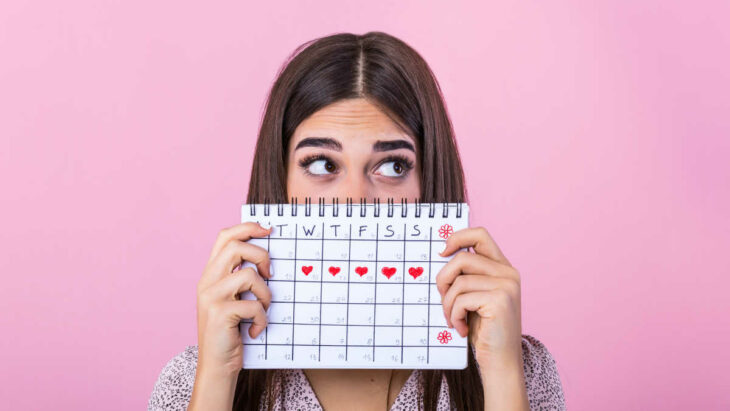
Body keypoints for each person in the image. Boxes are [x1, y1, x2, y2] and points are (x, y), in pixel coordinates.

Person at [148, 31, 566, 411]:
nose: (355, 199)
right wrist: (217, 380)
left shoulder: (518, 371)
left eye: (393, 167)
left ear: (430, 183)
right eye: (321, 163)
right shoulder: (193, 382)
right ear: (280, 180)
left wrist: (501, 375)